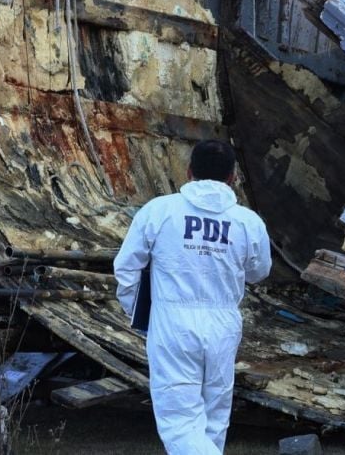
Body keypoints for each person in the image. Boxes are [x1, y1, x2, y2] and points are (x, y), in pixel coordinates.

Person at [114, 140, 272, 454]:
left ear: (188, 172)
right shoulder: (248, 222)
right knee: (214, 417)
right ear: (233, 177)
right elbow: (259, 272)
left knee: (179, 421)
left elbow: (126, 267)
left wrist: (142, 314)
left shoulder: (160, 210)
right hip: (223, 323)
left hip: (172, 322)